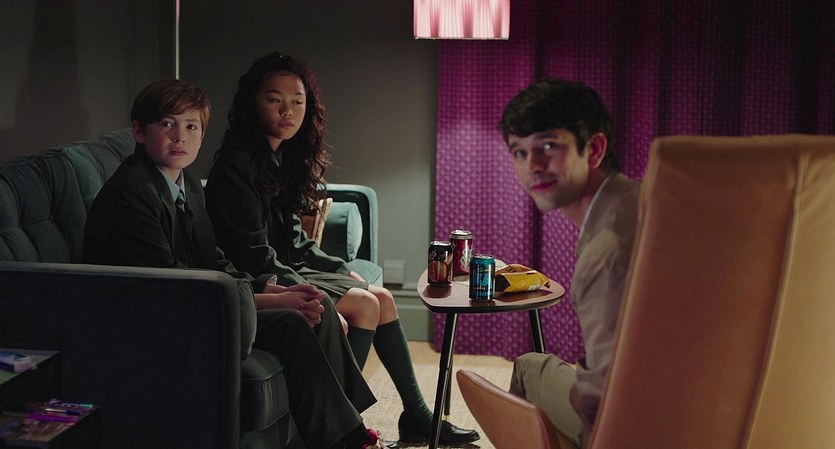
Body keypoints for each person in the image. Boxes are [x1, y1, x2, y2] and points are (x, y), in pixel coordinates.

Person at [82, 78, 387, 449]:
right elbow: (176, 286)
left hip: (194, 304)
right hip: (151, 320)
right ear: (140, 132)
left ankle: (343, 432)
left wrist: (268, 286)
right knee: (293, 320)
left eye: (191, 126)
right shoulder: (132, 194)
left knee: (315, 304)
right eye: (167, 124)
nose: (180, 137)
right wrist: (274, 300)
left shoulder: (186, 183)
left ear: (201, 134)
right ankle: (347, 439)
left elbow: (211, 258)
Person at [204, 52, 479, 446]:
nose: (288, 111)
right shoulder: (237, 166)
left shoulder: (277, 157)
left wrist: (337, 267)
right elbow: (254, 254)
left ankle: (416, 414)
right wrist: (310, 288)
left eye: (297, 101)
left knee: (383, 298)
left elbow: (294, 238)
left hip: (281, 265)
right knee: (365, 304)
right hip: (261, 275)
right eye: (274, 99)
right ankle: (346, 426)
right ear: (253, 103)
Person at [499, 78, 640, 448]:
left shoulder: (606, 254)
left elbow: (603, 403)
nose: (533, 166)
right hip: (691, 400)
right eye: (519, 152)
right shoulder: (643, 196)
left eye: (548, 145)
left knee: (528, 367)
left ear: (594, 149)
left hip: (637, 427)